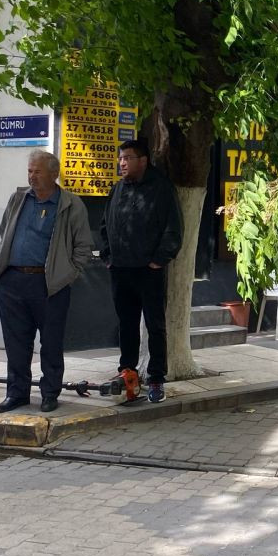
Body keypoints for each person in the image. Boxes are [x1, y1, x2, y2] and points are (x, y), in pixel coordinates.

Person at [0, 149, 93, 413]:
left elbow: (83, 247)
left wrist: (67, 275)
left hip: (49, 285)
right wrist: (2, 263)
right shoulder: (18, 198)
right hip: (13, 280)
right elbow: (4, 231)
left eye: (37, 171)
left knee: (50, 342)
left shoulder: (70, 204)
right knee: (16, 341)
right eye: (30, 171)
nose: (32, 176)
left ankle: (50, 393)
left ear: (54, 174)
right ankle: (17, 393)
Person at [99, 139, 182, 403]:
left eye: (128, 158)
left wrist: (158, 260)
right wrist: (108, 257)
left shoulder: (161, 188)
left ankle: (156, 378)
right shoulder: (117, 189)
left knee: (155, 326)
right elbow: (105, 225)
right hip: (120, 270)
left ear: (143, 161)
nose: (122, 163)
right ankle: (128, 373)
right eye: (120, 158)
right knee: (126, 325)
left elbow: (173, 228)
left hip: (149, 271)